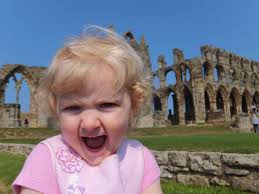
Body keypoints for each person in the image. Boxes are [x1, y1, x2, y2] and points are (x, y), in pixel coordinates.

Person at [12, 26, 162, 194]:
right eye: (73, 108)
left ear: (132, 107)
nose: (89, 123)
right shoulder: (47, 158)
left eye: (106, 105)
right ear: (57, 110)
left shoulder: (140, 158)